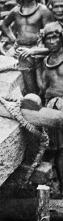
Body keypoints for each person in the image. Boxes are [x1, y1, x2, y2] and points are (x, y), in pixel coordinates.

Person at [1, 0, 54, 93]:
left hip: (36, 48)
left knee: (26, 64)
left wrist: (35, 49)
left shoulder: (43, 11)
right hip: (19, 47)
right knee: (2, 65)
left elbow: (50, 34)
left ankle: (31, 96)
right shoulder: (16, 10)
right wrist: (13, 39)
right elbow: (4, 25)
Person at [37, 22, 63, 194]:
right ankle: (61, 187)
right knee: (59, 149)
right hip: (52, 106)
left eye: (56, 37)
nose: (53, 41)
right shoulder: (45, 61)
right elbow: (41, 88)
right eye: (49, 38)